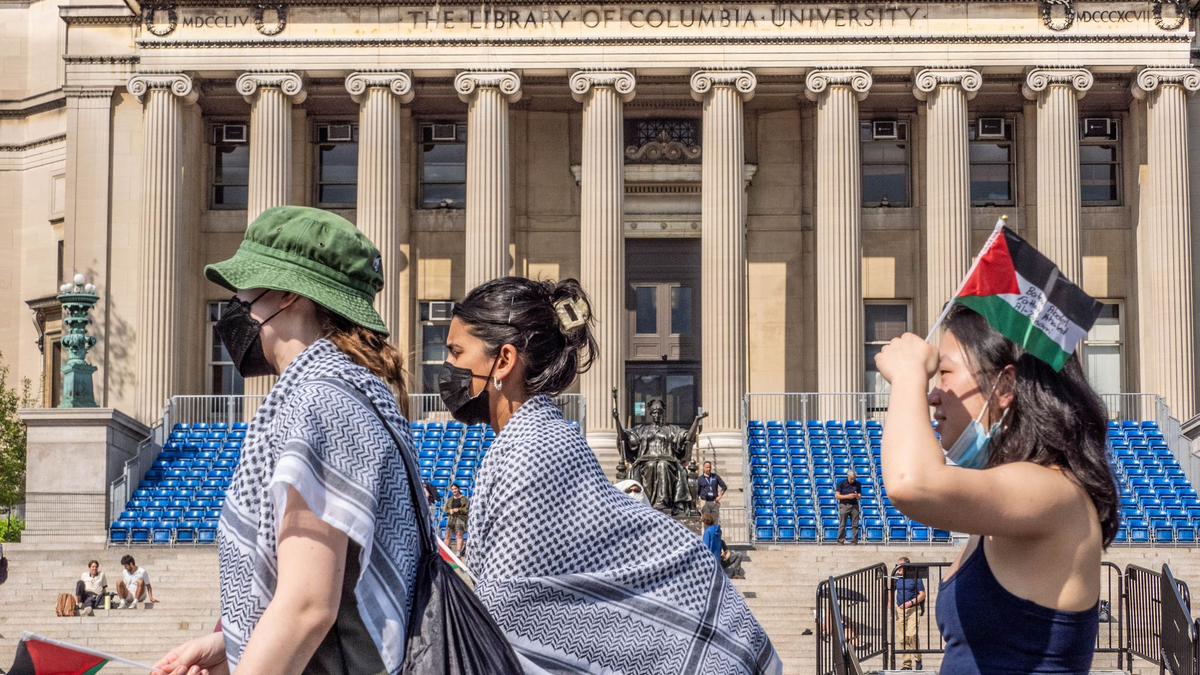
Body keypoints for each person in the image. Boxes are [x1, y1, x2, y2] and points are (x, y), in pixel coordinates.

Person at [446, 276, 780, 674]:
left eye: (455, 352)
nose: (447, 367)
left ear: (503, 361)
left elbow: (507, 612)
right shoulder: (535, 440)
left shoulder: (532, 452)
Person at [154, 206, 422, 675]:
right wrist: (231, 645)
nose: (236, 306)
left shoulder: (320, 399)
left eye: (244, 290)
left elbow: (307, 607)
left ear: (286, 295)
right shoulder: (353, 390)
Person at [875, 304, 1119, 675]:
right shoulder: (1014, 494)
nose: (933, 394)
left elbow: (911, 483)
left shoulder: (1052, 490)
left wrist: (909, 374)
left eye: (944, 372)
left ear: (1004, 386)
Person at [892, 556, 926, 670]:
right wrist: (889, 602)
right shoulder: (896, 577)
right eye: (897, 566)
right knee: (902, 638)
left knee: (912, 634)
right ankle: (906, 664)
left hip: (913, 609)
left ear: (906, 567)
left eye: (900, 567)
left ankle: (918, 658)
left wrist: (910, 603)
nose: (898, 569)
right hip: (900, 610)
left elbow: (922, 594)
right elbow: (890, 590)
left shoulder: (915, 577)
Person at [835, 468, 862, 544]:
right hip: (844, 505)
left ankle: (854, 541)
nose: (852, 480)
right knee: (842, 524)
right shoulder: (841, 483)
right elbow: (837, 496)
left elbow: (859, 497)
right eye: (851, 479)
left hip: (854, 506)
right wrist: (848, 496)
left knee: (855, 525)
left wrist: (856, 496)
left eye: (853, 479)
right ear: (847, 476)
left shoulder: (858, 484)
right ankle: (840, 540)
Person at [444, 482, 469, 555]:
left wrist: (458, 510)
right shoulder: (450, 499)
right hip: (451, 519)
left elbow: (466, 510)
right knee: (448, 535)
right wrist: (450, 511)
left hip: (460, 518)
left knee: (459, 535)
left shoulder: (464, 499)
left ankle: (458, 551)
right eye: (452, 489)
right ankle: (446, 551)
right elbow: (446, 509)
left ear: (458, 489)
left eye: (455, 489)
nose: (454, 490)